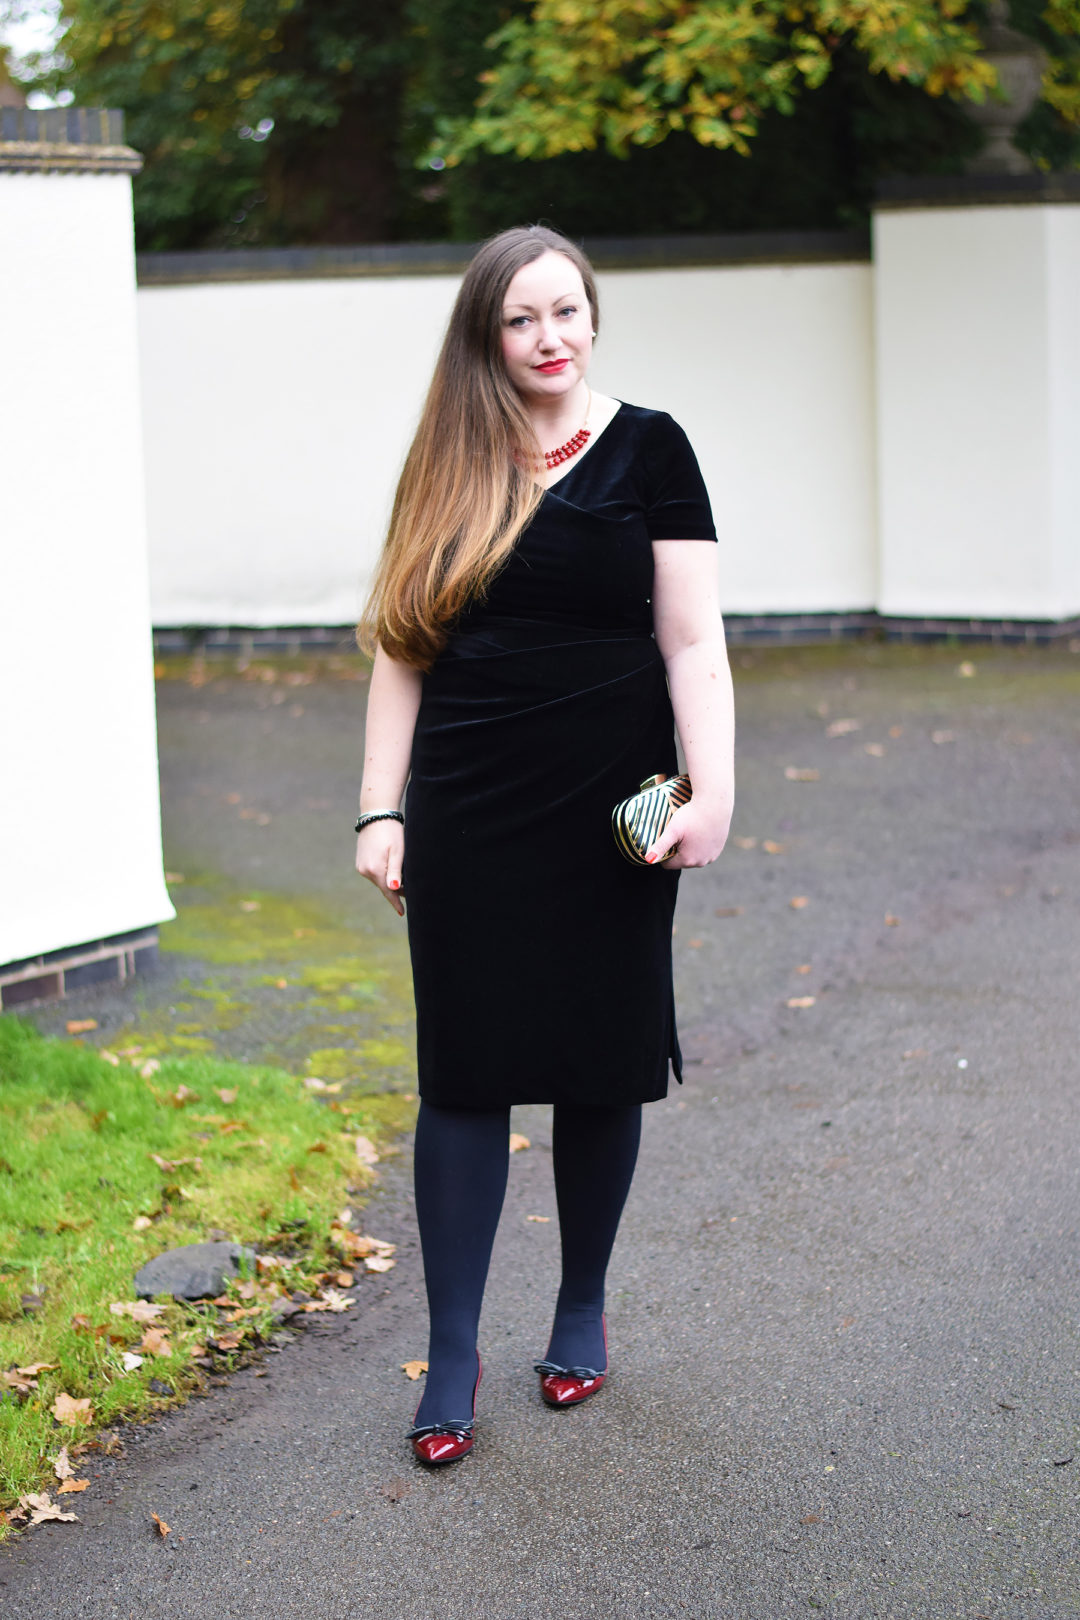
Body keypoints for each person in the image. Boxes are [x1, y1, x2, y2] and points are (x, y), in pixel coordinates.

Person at [355, 225, 734, 1465]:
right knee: (463, 1076)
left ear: (592, 314)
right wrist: (381, 806)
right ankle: (452, 1349)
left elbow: (691, 643)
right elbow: (402, 647)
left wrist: (711, 791)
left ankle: (580, 1308)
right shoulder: (447, 458)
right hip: (469, 803)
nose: (551, 338)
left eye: (567, 311)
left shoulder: (653, 447)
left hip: (611, 804)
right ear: (488, 336)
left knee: (598, 1058)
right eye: (522, 321)